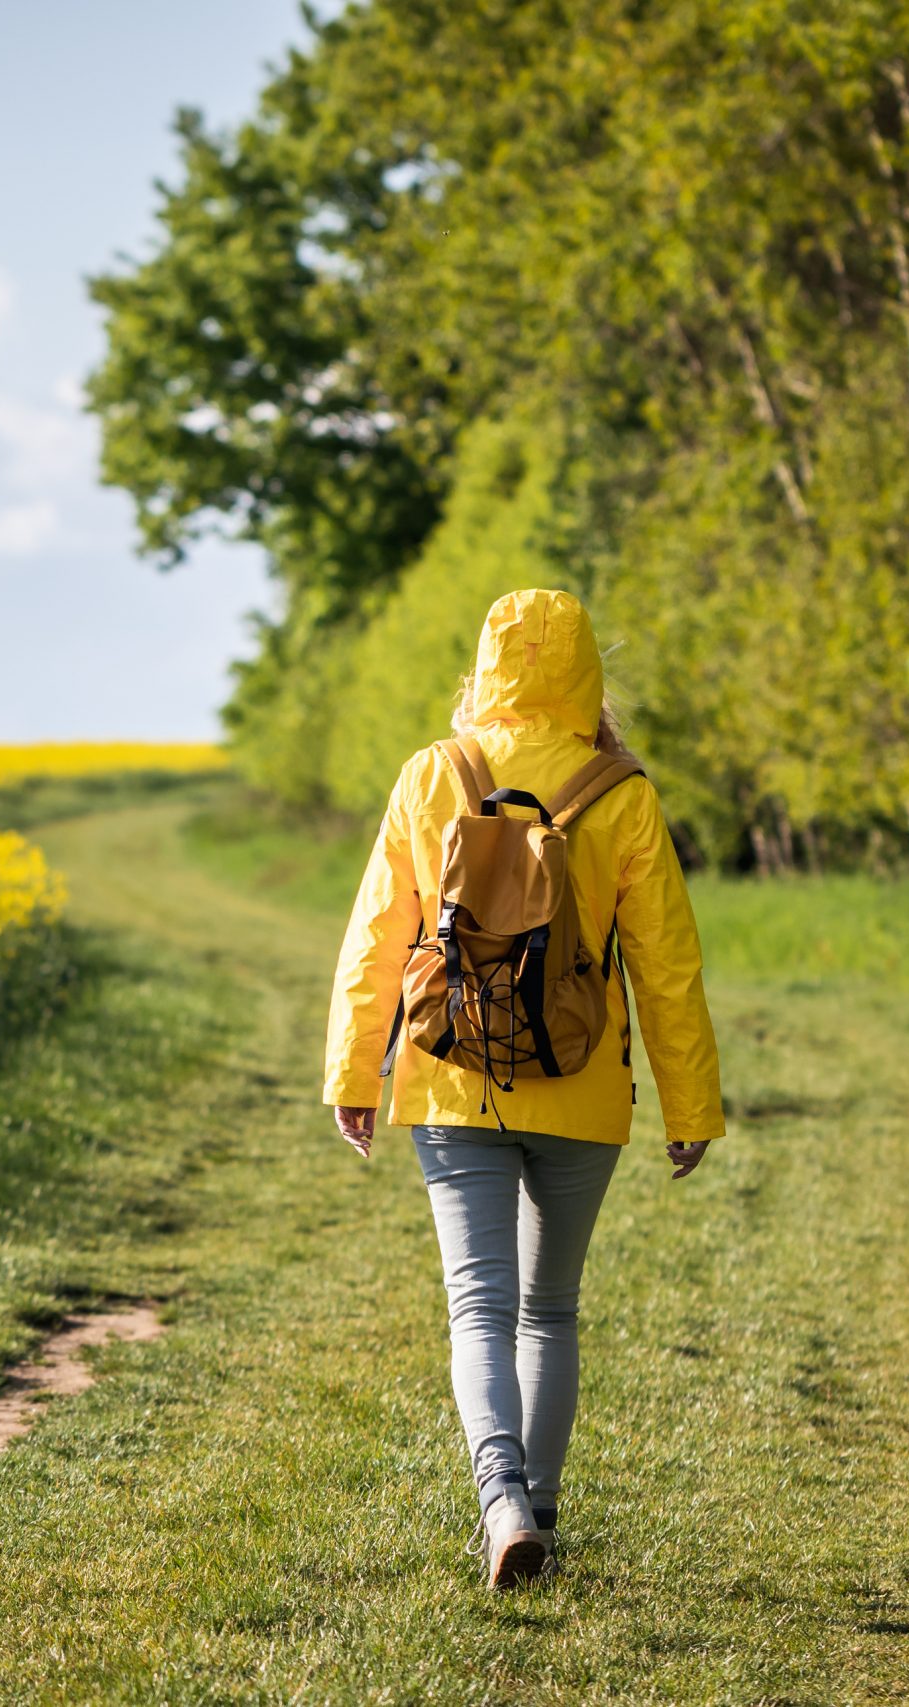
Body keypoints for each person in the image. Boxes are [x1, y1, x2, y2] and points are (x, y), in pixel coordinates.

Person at [321, 587, 724, 1588]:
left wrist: (352, 1070)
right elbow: (665, 965)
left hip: (453, 1081)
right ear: (588, 674)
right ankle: (536, 1511)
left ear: (485, 668)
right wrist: (691, 1107)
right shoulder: (620, 791)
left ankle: (499, 1503)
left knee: (478, 1308)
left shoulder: (433, 776)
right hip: (583, 1089)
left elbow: (378, 936)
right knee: (549, 1312)